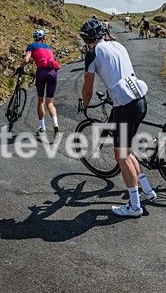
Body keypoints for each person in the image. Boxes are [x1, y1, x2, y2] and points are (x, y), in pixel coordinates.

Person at [79, 18, 156, 218]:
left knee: (121, 156)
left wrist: (84, 104)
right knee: (127, 152)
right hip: (139, 99)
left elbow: (88, 88)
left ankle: (134, 206)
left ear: (86, 39)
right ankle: (147, 190)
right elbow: (118, 72)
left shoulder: (92, 54)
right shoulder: (117, 45)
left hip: (125, 105)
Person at [21, 29, 60, 136]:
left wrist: (20, 67)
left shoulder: (31, 46)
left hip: (41, 72)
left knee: (40, 100)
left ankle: (42, 127)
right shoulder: (49, 47)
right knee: (50, 102)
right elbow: (48, 62)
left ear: (35, 38)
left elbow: (26, 60)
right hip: (53, 72)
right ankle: (55, 124)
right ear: (43, 38)